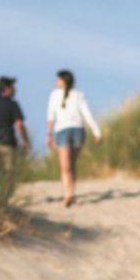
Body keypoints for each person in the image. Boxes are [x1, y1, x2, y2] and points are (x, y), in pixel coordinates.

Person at [46, 69, 101, 208]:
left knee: (66, 166)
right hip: (75, 130)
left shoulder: (71, 95)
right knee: (69, 165)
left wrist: (50, 134)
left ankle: (69, 193)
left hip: (68, 131)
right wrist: (96, 131)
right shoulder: (72, 95)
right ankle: (70, 194)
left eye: (58, 79)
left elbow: (51, 116)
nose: (56, 82)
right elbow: (86, 114)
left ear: (63, 81)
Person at [0, 75, 30, 201]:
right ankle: (5, 199)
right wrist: (25, 141)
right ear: (6, 88)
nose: (15, 89)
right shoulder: (13, 104)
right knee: (9, 173)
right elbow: (19, 124)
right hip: (7, 143)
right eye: (12, 87)